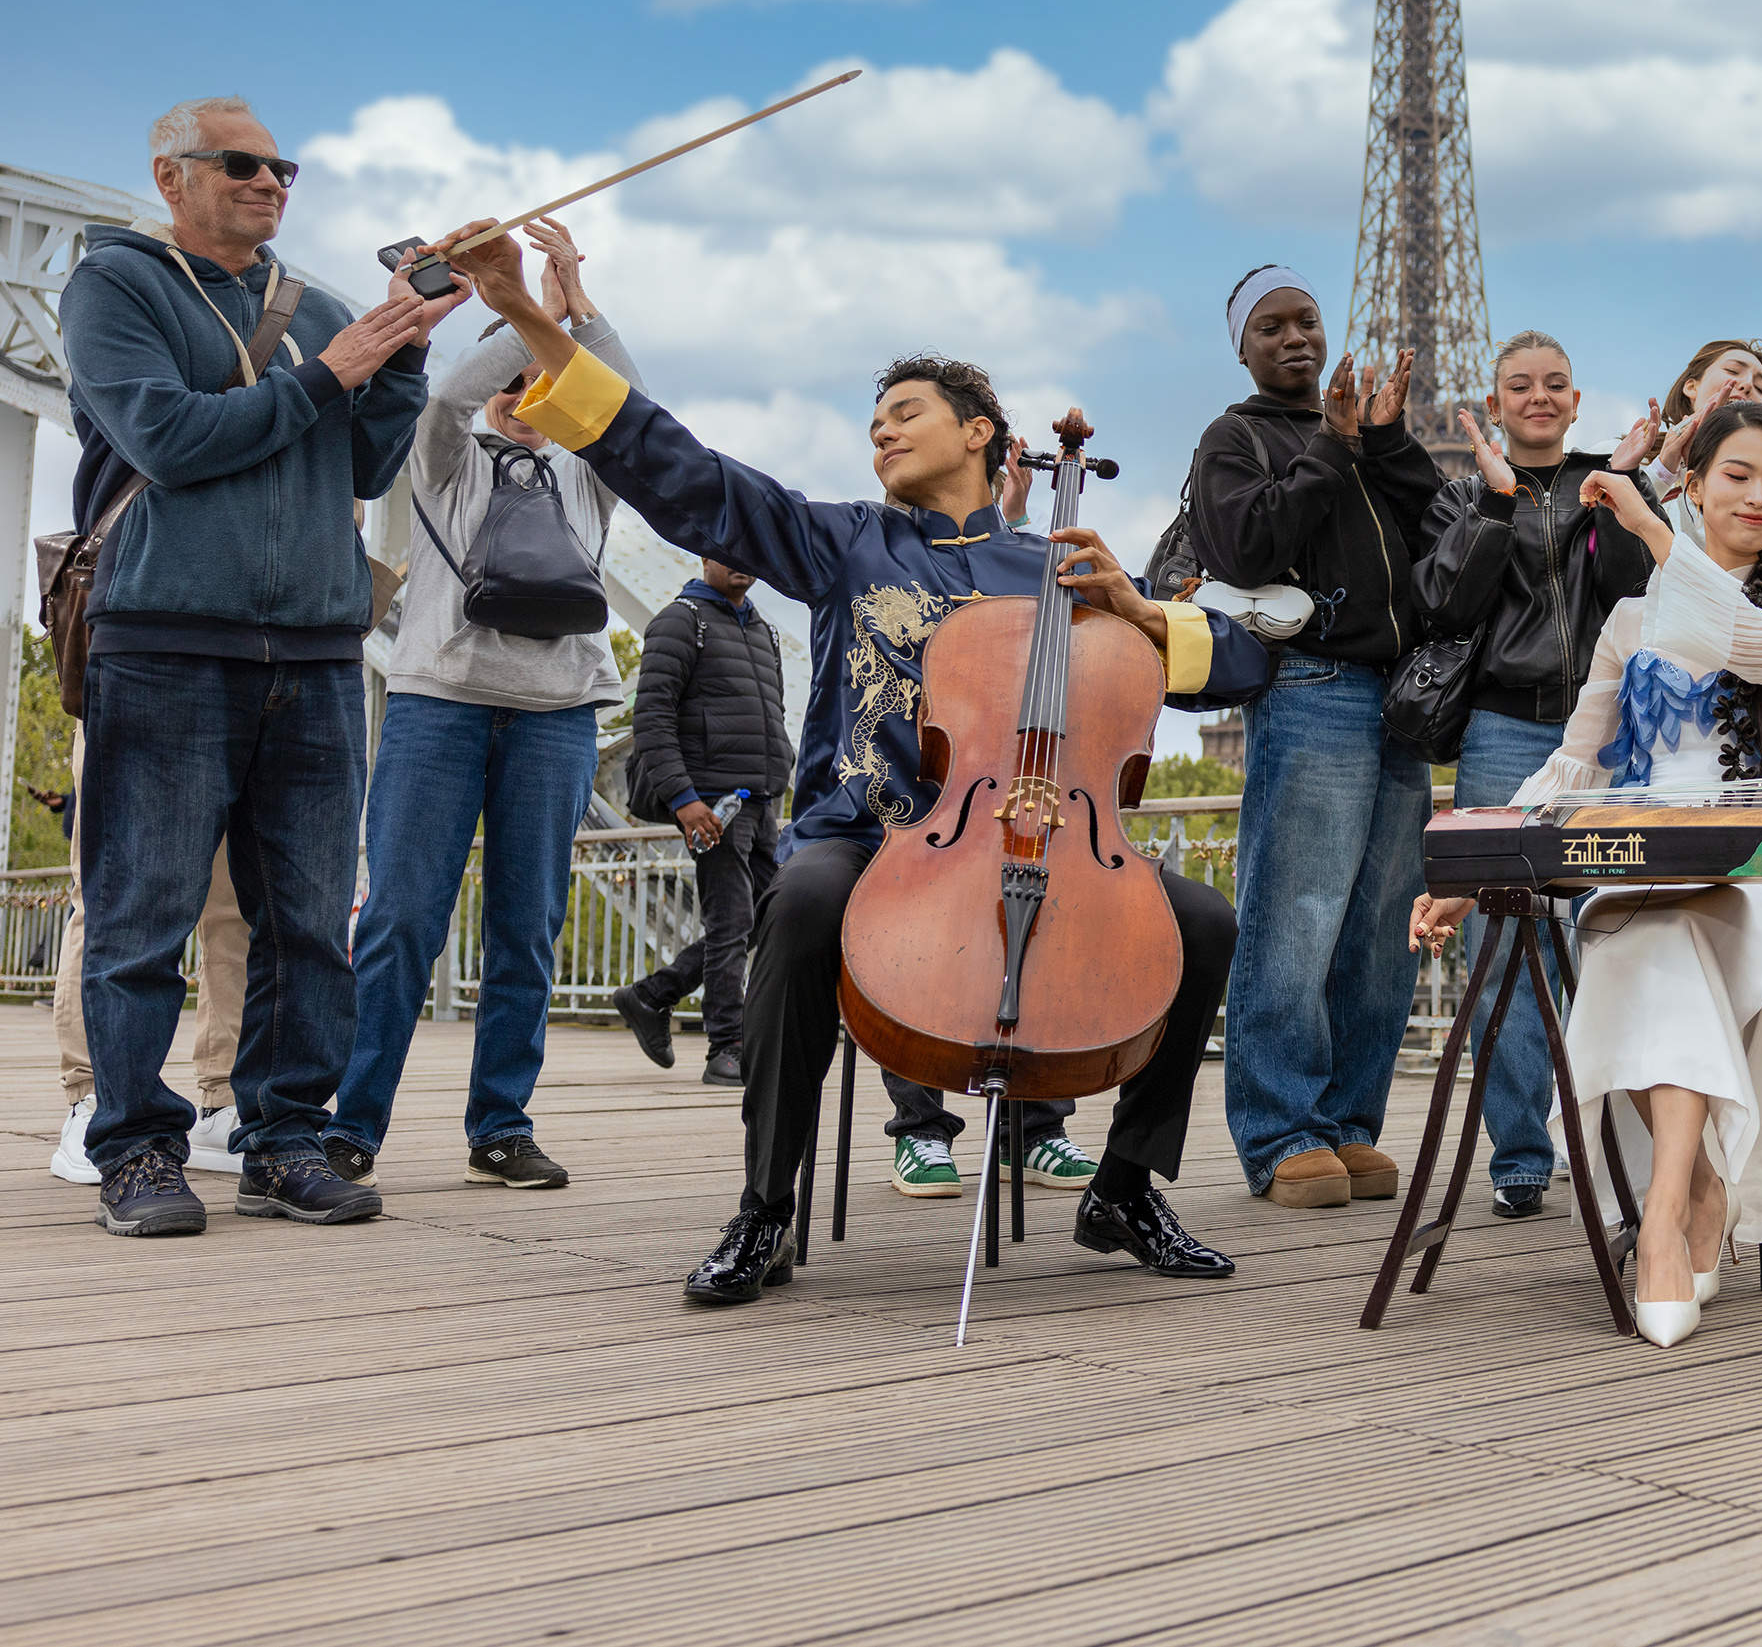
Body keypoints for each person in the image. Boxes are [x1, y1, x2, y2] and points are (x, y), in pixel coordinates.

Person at [440, 221, 1272, 1302]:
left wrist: (1141, 613)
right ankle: (764, 1209)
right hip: (871, 832)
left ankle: (1124, 1186)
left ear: (982, 434)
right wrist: (526, 314)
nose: (880, 433)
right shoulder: (843, 539)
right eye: (872, 422)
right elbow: (683, 473)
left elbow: (1241, 667)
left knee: (1203, 921)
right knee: (796, 909)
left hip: (1047, 837)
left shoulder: (1063, 565)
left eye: (906, 414)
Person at [56, 95, 463, 1236]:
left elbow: (370, 468)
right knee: (143, 913)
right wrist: (332, 371)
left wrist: (400, 359)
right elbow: (169, 442)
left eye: (282, 165)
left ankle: (283, 1138)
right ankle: (136, 1145)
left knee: (305, 921)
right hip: (166, 641)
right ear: (170, 176)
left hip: (320, 650)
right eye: (239, 162)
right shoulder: (115, 286)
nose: (270, 180)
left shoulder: (326, 309)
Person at [1413, 401, 1762, 1350]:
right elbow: (1574, 766)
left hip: (1761, 871)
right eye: (1737, 475)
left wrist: (1652, 530)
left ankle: (1655, 1226)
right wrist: (1471, 868)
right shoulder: (1629, 620)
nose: (1759, 496)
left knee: (1672, 933)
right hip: (1640, 853)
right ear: (1698, 481)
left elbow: (1756, 649)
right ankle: (1692, 1192)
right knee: (1643, 930)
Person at [325, 219, 638, 1193]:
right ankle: (353, 1124)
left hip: (556, 713)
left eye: (546, 381)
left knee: (526, 928)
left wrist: (574, 299)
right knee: (401, 921)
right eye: (516, 381)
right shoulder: (446, 456)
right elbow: (455, 388)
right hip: (439, 706)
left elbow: (629, 404)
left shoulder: (589, 475)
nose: (527, 396)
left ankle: (501, 1124)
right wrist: (521, 308)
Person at [1190, 266, 1443, 1208]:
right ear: (1242, 346)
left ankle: (1347, 1120)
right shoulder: (1236, 436)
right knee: (1296, 910)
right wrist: (1332, 448)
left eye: (1307, 321)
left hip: (1399, 697)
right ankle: (1280, 1128)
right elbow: (1245, 547)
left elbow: (1439, 532)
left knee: (1381, 924)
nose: (1296, 339)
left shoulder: (1363, 435)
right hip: (1314, 685)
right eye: (1271, 327)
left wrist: (1389, 440)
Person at [1413, 329, 1663, 1217]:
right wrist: (1493, 503)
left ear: (1577, 397)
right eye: (1521, 385)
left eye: (1555, 383)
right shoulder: (1463, 495)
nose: (1540, 397)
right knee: (1504, 948)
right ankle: (1521, 1152)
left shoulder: (1614, 484)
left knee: (1620, 930)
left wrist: (1618, 497)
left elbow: (1639, 596)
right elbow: (1446, 602)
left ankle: (1618, 1142)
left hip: (1606, 732)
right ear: (1497, 400)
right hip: (1503, 731)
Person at [614, 554, 794, 1088]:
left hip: (761, 800)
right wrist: (683, 798)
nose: (742, 561)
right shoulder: (680, 620)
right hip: (712, 802)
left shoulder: (763, 628)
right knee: (732, 918)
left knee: (769, 914)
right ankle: (727, 1047)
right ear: (704, 556)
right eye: (728, 551)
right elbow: (650, 716)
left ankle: (653, 995)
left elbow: (773, 714)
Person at [49, 735, 251, 1184]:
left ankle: (223, 1103)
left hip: (232, 692)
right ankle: (91, 1098)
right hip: (128, 681)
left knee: (234, 910)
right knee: (108, 893)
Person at [1642, 339, 1762, 543]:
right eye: (1733, 371)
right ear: (1691, 387)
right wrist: (1663, 470)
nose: (1748, 384)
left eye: (1760, 389)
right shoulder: (1624, 453)